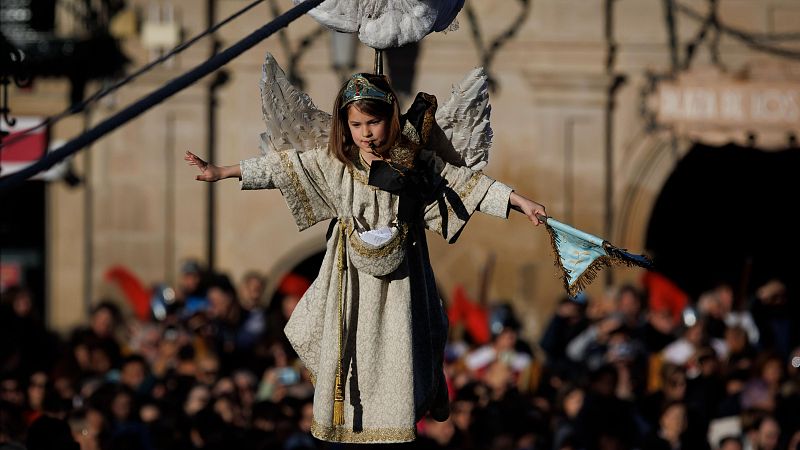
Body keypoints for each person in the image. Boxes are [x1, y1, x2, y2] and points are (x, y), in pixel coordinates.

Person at [185, 71, 546, 443]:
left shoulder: (414, 162)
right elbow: (284, 166)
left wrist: (520, 202)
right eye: (356, 124)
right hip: (349, 282)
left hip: (401, 282)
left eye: (373, 121)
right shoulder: (335, 162)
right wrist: (222, 172)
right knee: (348, 358)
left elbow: (466, 184)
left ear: (390, 117)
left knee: (399, 357)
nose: (365, 133)